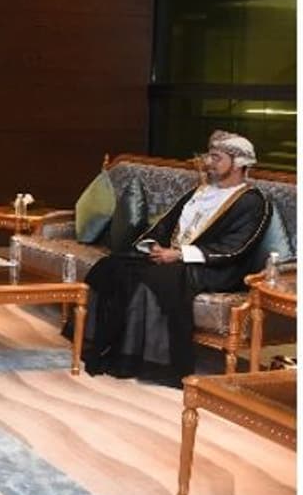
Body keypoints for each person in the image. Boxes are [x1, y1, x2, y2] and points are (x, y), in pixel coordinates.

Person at [80, 130, 271, 385]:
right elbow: (166, 224)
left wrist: (180, 255)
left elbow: (235, 248)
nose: (208, 163)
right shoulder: (201, 191)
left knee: (156, 278)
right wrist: (153, 247)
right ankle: (103, 344)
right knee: (112, 266)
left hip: (215, 267)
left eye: (217, 158)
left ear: (238, 164)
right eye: (209, 156)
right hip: (174, 257)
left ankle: (145, 360)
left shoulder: (253, 201)